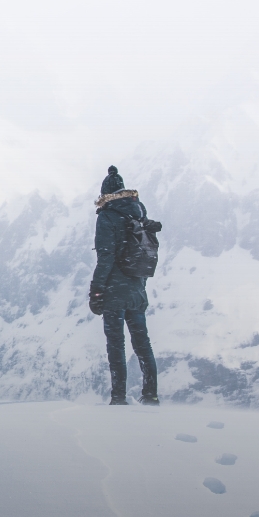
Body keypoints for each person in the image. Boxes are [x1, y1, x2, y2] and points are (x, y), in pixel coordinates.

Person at [88, 166, 159, 405]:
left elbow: (105, 258)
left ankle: (118, 397)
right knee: (142, 343)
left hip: (114, 293)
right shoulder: (139, 213)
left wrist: (96, 292)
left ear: (105, 195)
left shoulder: (107, 217)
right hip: (137, 289)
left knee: (116, 345)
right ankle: (151, 394)